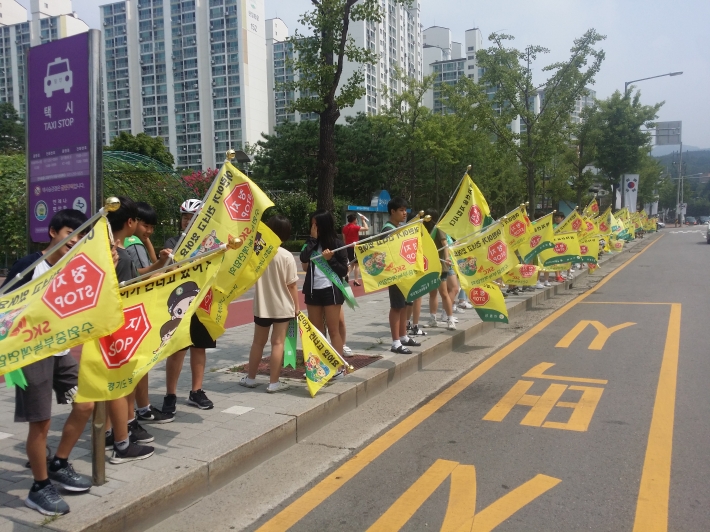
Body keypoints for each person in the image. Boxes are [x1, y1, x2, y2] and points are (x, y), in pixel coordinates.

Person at [1, 210, 94, 515]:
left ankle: (59, 462)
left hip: (60, 350)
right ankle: (39, 487)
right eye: (70, 233)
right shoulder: (28, 266)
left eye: (81, 236)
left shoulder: (74, 267)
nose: (75, 241)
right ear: (53, 232)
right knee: (40, 423)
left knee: (86, 404)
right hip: (31, 354)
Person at [105, 197, 155, 464]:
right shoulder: (119, 255)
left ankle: (112, 432)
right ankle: (121, 442)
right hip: (120, 327)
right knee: (123, 383)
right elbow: (128, 290)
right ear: (130, 222)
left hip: (110, 327)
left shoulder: (109, 250)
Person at [162, 199, 217, 413]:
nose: (187, 221)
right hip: (179, 302)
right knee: (177, 350)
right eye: (185, 217)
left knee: (199, 347)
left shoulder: (209, 242)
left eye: (192, 217)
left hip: (202, 302)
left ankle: (197, 391)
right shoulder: (172, 242)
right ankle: (170, 394)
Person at [123, 201, 174, 424]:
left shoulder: (129, 242)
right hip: (136, 310)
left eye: (152, 228)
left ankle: (140, 409)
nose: (149, 231)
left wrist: (150, 244)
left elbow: (152, 266)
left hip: (129, 310)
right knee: (138, 365)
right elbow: (147, 275)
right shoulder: (132, 244)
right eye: (145, 226)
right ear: (131, 221)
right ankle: (134, 415)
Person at [239, 215, 299, 392]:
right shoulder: (287, 256)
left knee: (258, 342)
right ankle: (273, 383)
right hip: (282, 307)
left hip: (262, 306)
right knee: (278, 343)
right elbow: (292, 285)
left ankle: (250, 378)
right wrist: (296, 307)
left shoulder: (258, 254)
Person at [300, 210, 349, 373]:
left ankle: (339, 367)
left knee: (333, 330)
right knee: (317, 332)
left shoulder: (337, 243)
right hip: (313, 292)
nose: (313, 227)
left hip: (331, 291)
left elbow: (343, 271)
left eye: (316, 224)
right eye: (312, 224)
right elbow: (303, 258)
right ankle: (321, 367)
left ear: (324, 225)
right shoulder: (311, 243)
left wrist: (331, 260)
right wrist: (312, 239)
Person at [381, 198, 422, 353]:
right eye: (401, 210)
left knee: (404, 305)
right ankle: (395, 342)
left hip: (403, 273)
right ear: (393, 211)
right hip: (395, 274)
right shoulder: (388, 229)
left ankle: (403, 336)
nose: (405, 213)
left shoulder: (398, 227)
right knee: (396, 307)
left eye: (405, 210)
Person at [422, 209, 456, 331]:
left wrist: (446, 257)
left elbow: (444, 243)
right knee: (432, 294)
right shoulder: (424, 230)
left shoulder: (438, 228)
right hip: (430, 266)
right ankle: (432, 319)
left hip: (441, 266)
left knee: (444, 293)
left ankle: (450, 319)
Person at [342, 213, 369, 286]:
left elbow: (344, 239)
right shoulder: (355, 227)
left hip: (348, 247)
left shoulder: (344, 228)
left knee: (352, 264)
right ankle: (356, 280)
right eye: (356, 219)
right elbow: (366, 228)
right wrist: (363, 220)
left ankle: (347, 274)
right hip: (355, 247)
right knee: (357, 265)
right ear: (354, 220)